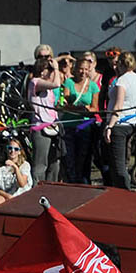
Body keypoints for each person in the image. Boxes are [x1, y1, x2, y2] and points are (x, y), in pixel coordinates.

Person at [102, 51, 136, 190]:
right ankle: (120, 190)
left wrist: (109, 126)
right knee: (122, 162)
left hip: (119, 124)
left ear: (122, 64)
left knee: (118, 165)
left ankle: (124, 192)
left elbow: (118, 105)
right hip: (131, 123)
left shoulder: (122, 80)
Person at [58, 52, 100, 184]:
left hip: (84, 127)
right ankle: (70, 183)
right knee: (69, 158)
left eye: (86, 69)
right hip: (69, 125)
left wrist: (87, 110)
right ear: (75, 70)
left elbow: (95, 108)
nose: (83, 72)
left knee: (82, 159)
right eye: (81, 69)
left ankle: (80, 184)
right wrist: (79, 109)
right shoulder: (69, 83)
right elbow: (64, 104)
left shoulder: (93, 86)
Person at [28, 44, 63, 182]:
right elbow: (56, 84)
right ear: (42, 72)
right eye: (47, 70)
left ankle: (51, 188)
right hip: (41, 128)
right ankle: (37, 191)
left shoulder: (47, 88)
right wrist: (56, 68)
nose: (50, 73)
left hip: (53, 126)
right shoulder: (35, 82)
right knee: (40, 165)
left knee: (55, 163)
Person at [0, 139, 31, 206]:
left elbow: (22, 184)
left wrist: (15, 167)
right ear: (6, 150)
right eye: (10, 148)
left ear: (20, 152)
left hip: (22, 196)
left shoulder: (25, 165)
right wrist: (8, 196)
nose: (12, 151)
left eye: (16, 149)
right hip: (6, 196)